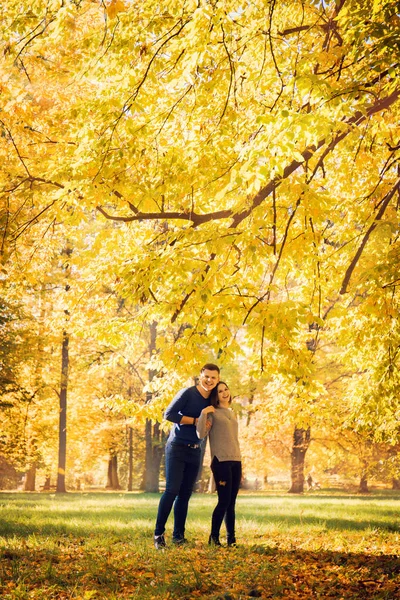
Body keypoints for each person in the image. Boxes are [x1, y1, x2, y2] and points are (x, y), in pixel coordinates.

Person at [154, 363, 220, 549]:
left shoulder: (212, 401)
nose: (209, 380)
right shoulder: (187, 393)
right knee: (171, 490)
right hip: (177, 447)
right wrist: (195, 421)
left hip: (195, 449)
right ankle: (159, 534)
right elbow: (169, 414)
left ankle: (178, 536)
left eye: (213, 377)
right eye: (206, 376)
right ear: (201, 376)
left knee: (184, 494)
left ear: (217, 379)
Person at [197, 381, 242, 547]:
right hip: (220, 461)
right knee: (223, 501)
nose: (224, 393)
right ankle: (213, 538)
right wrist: (203, 414)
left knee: (231, 502)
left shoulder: (232, 412)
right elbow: (201, 433)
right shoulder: (212, 412)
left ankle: (232, 540)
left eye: (226, 389)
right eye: (220, 391)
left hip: (236, 460)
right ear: (215, 396)